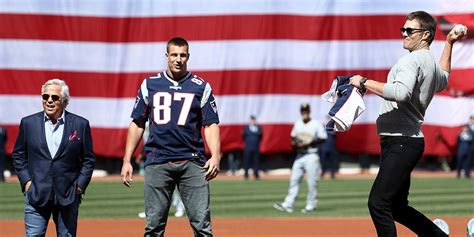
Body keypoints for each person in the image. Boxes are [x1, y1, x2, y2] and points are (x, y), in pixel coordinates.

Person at [349, 11, 467, 236]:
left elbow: (401, 93)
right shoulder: (428, 61)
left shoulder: (412, 60)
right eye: (403, 29)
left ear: (425, 35)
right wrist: (449, 43)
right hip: (405, 141)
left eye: (409, 30)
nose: (404, 33)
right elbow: (443, 78)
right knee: (396, 207)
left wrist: (364, 81)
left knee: (379, 203)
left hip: (401, 141)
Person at [120, 37, 221, 236]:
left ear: (188, 57)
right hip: (158, 161)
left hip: (193, 162)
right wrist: (127, 159)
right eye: (174, 55)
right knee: (154, 227)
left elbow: (211, 124)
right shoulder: (150, 84)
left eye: (182, 55)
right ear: (166, 56)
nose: (178, 59)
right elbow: (138, 122)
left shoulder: (201, 86)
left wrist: (215, 156)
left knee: (202, 226)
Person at [12, 79, 96, 236]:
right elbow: (19, 155)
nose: (49, 101)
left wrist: (79, 186)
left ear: (64, 101)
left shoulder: (80, 124)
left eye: (54, 97)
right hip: (36, 194)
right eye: (45, 96)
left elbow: (88, 160)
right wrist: (27, 183)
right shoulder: (28, 123)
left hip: (68, 196)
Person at [273, 103, 327, 213]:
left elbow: (323, 137)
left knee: (312, 182)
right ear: (301, 112)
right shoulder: (298, 124)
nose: (304, 113)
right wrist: (295, 144)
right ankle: (288, 204)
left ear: (309, 111)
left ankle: (311, 205)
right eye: (303, 111)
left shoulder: (316, 124)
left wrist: (310, 143)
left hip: (312, 155)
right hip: (300, 155)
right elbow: (293, 138)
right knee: (294, 180)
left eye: (306, 110)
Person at [242, 115, 263, 180]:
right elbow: (243, 137)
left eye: (254, 120)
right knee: (246, 161)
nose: (253, 121)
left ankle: (256, 174)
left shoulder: (258, 128)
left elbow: (260, 137)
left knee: (256, 161)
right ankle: (246, 174)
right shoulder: (246, 128)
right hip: (248, 147)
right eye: (252, 120)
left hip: (256, 147)